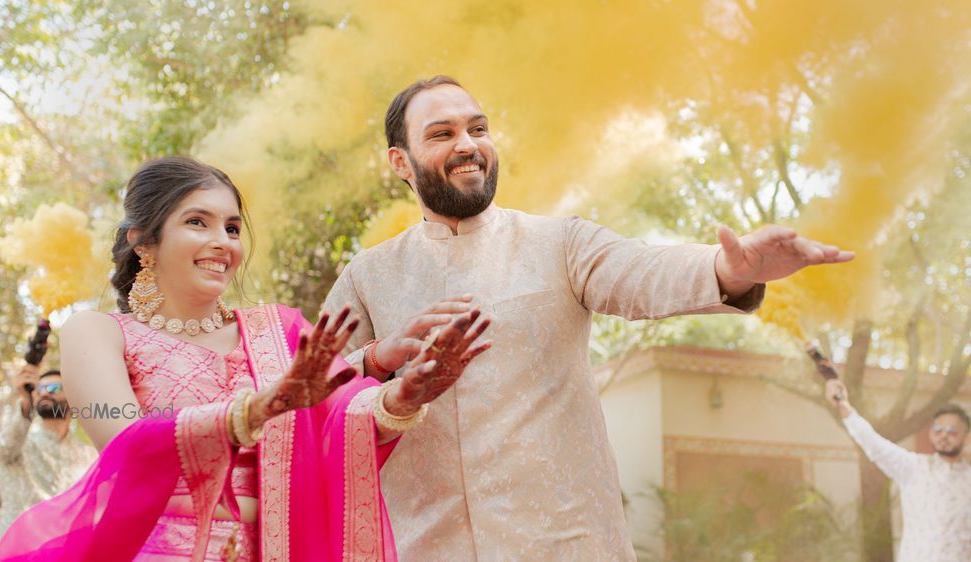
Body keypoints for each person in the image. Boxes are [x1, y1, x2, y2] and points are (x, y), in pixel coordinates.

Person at [322, 75, 856, 560]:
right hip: (425, 545)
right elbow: (312, 403)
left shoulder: (559, 243)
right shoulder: (369, 276)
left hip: (566, 544)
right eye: (442, 134)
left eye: (477, 129)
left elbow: (644, 271)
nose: (468, 145)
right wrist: (375, 360)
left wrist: (728, 270)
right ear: (400, 162)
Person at [0, 156, 490, 562]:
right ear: (143, 241)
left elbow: (340, 418)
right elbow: (124, 440)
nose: (223, 242)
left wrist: (402, 396)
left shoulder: (278, 330)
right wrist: (254, 410)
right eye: (197, 222)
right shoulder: (98, 331)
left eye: (232, 228)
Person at [825, 379, 971, 561]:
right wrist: (843, 405)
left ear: (967, 436)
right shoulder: (913, 467)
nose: (944, 436)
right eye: (938, 430)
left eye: (952, 431)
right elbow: (874, 443)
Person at [0, 364, 95, 541]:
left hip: (67, 551)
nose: (45, 393)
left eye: (54, 388)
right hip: (17, 549)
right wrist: (26, 402)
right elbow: (4, 448)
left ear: (74, 400)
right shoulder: (20, 445)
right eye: (40, 388)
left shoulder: (90, 456)